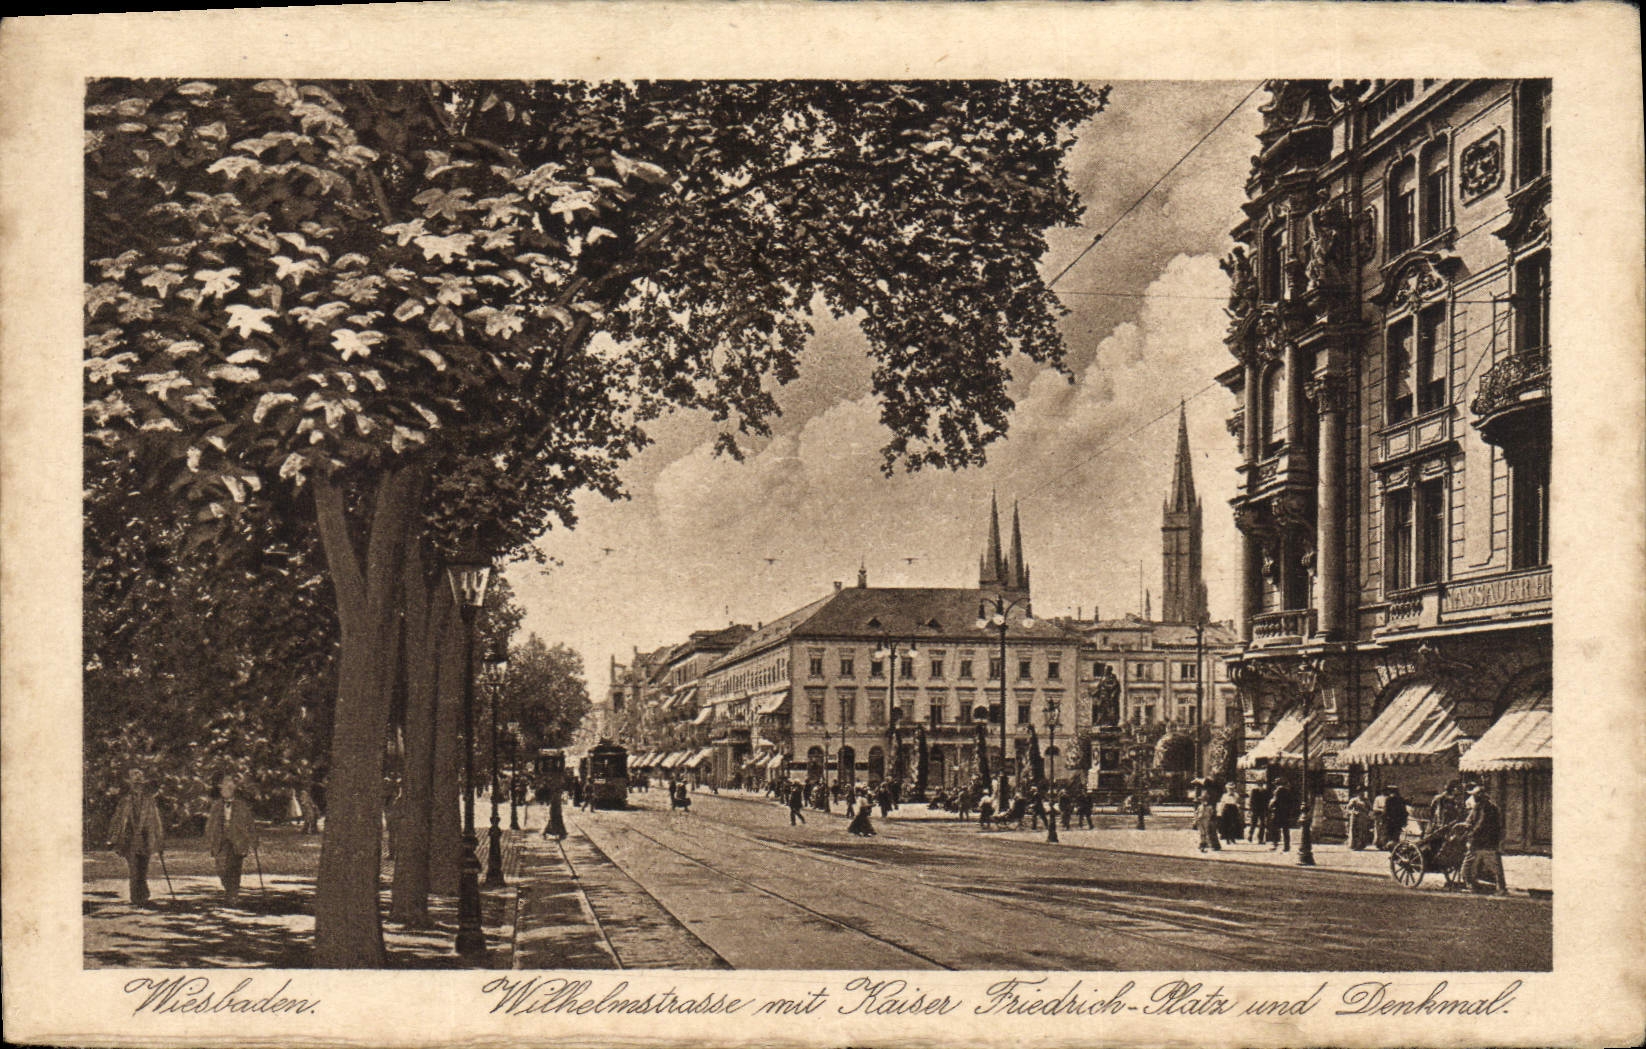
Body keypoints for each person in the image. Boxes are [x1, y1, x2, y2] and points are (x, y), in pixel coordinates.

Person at [107, 767, 165, 907]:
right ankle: (137, 898)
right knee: (134, 868)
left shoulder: (149, 800)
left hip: (146, 839)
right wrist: (113, 837)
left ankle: (143, 894)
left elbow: (156, 820)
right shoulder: (125, 801)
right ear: (131, 783)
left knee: (143, 868)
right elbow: (117, 819)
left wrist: (159, 839)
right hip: (130, 839)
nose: (137, 785)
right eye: (135, 781)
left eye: (140, 782)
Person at [205, 773, 258, 906]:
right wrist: (210, 839)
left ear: (232, 790)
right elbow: (210, 824)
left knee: (235, 868)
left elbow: (250, 824)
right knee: (221, 868)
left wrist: (254, 840)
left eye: (227, 789)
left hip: (237, 841)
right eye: (223, 789)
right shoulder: (216, 805)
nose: (224, 791)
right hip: (221, 841)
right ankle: (229, 888)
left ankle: (232, 895)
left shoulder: (242, 806)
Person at [1460, 785, 1509, 895]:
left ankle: (1474, 886)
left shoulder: (1483, 807)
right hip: (1488, 842)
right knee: (1494, 867)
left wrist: (1469, 833)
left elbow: (1479, 824)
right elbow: (1471, 820)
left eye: (1474, 795)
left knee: (1467, 867)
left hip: (1480, 842)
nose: (1473, 797)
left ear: (1479, 796)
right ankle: (1499, 888)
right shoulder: (1489, 806)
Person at [1268, 777, 1297, 852]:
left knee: (1274, 829)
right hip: (1285, 813)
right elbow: (1291, 803)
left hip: (1277, 813)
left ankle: (1275, 844)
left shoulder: (1277, 791)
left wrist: (1270, 805)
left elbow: (1274, 801)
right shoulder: (1288, 791)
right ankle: (1286, 846)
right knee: (1285, 830)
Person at [1382, 785, 1409, 849]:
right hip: (1398, 821)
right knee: (1396, 835)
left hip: (1390, 821)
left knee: (1389, 835)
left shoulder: (1388, 799)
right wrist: (1404, 820)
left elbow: (1386, 811)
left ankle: (1391, 849)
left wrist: (1383, 820)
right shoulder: (1401, 799)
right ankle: (1395, 848)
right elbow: (1404, 811)